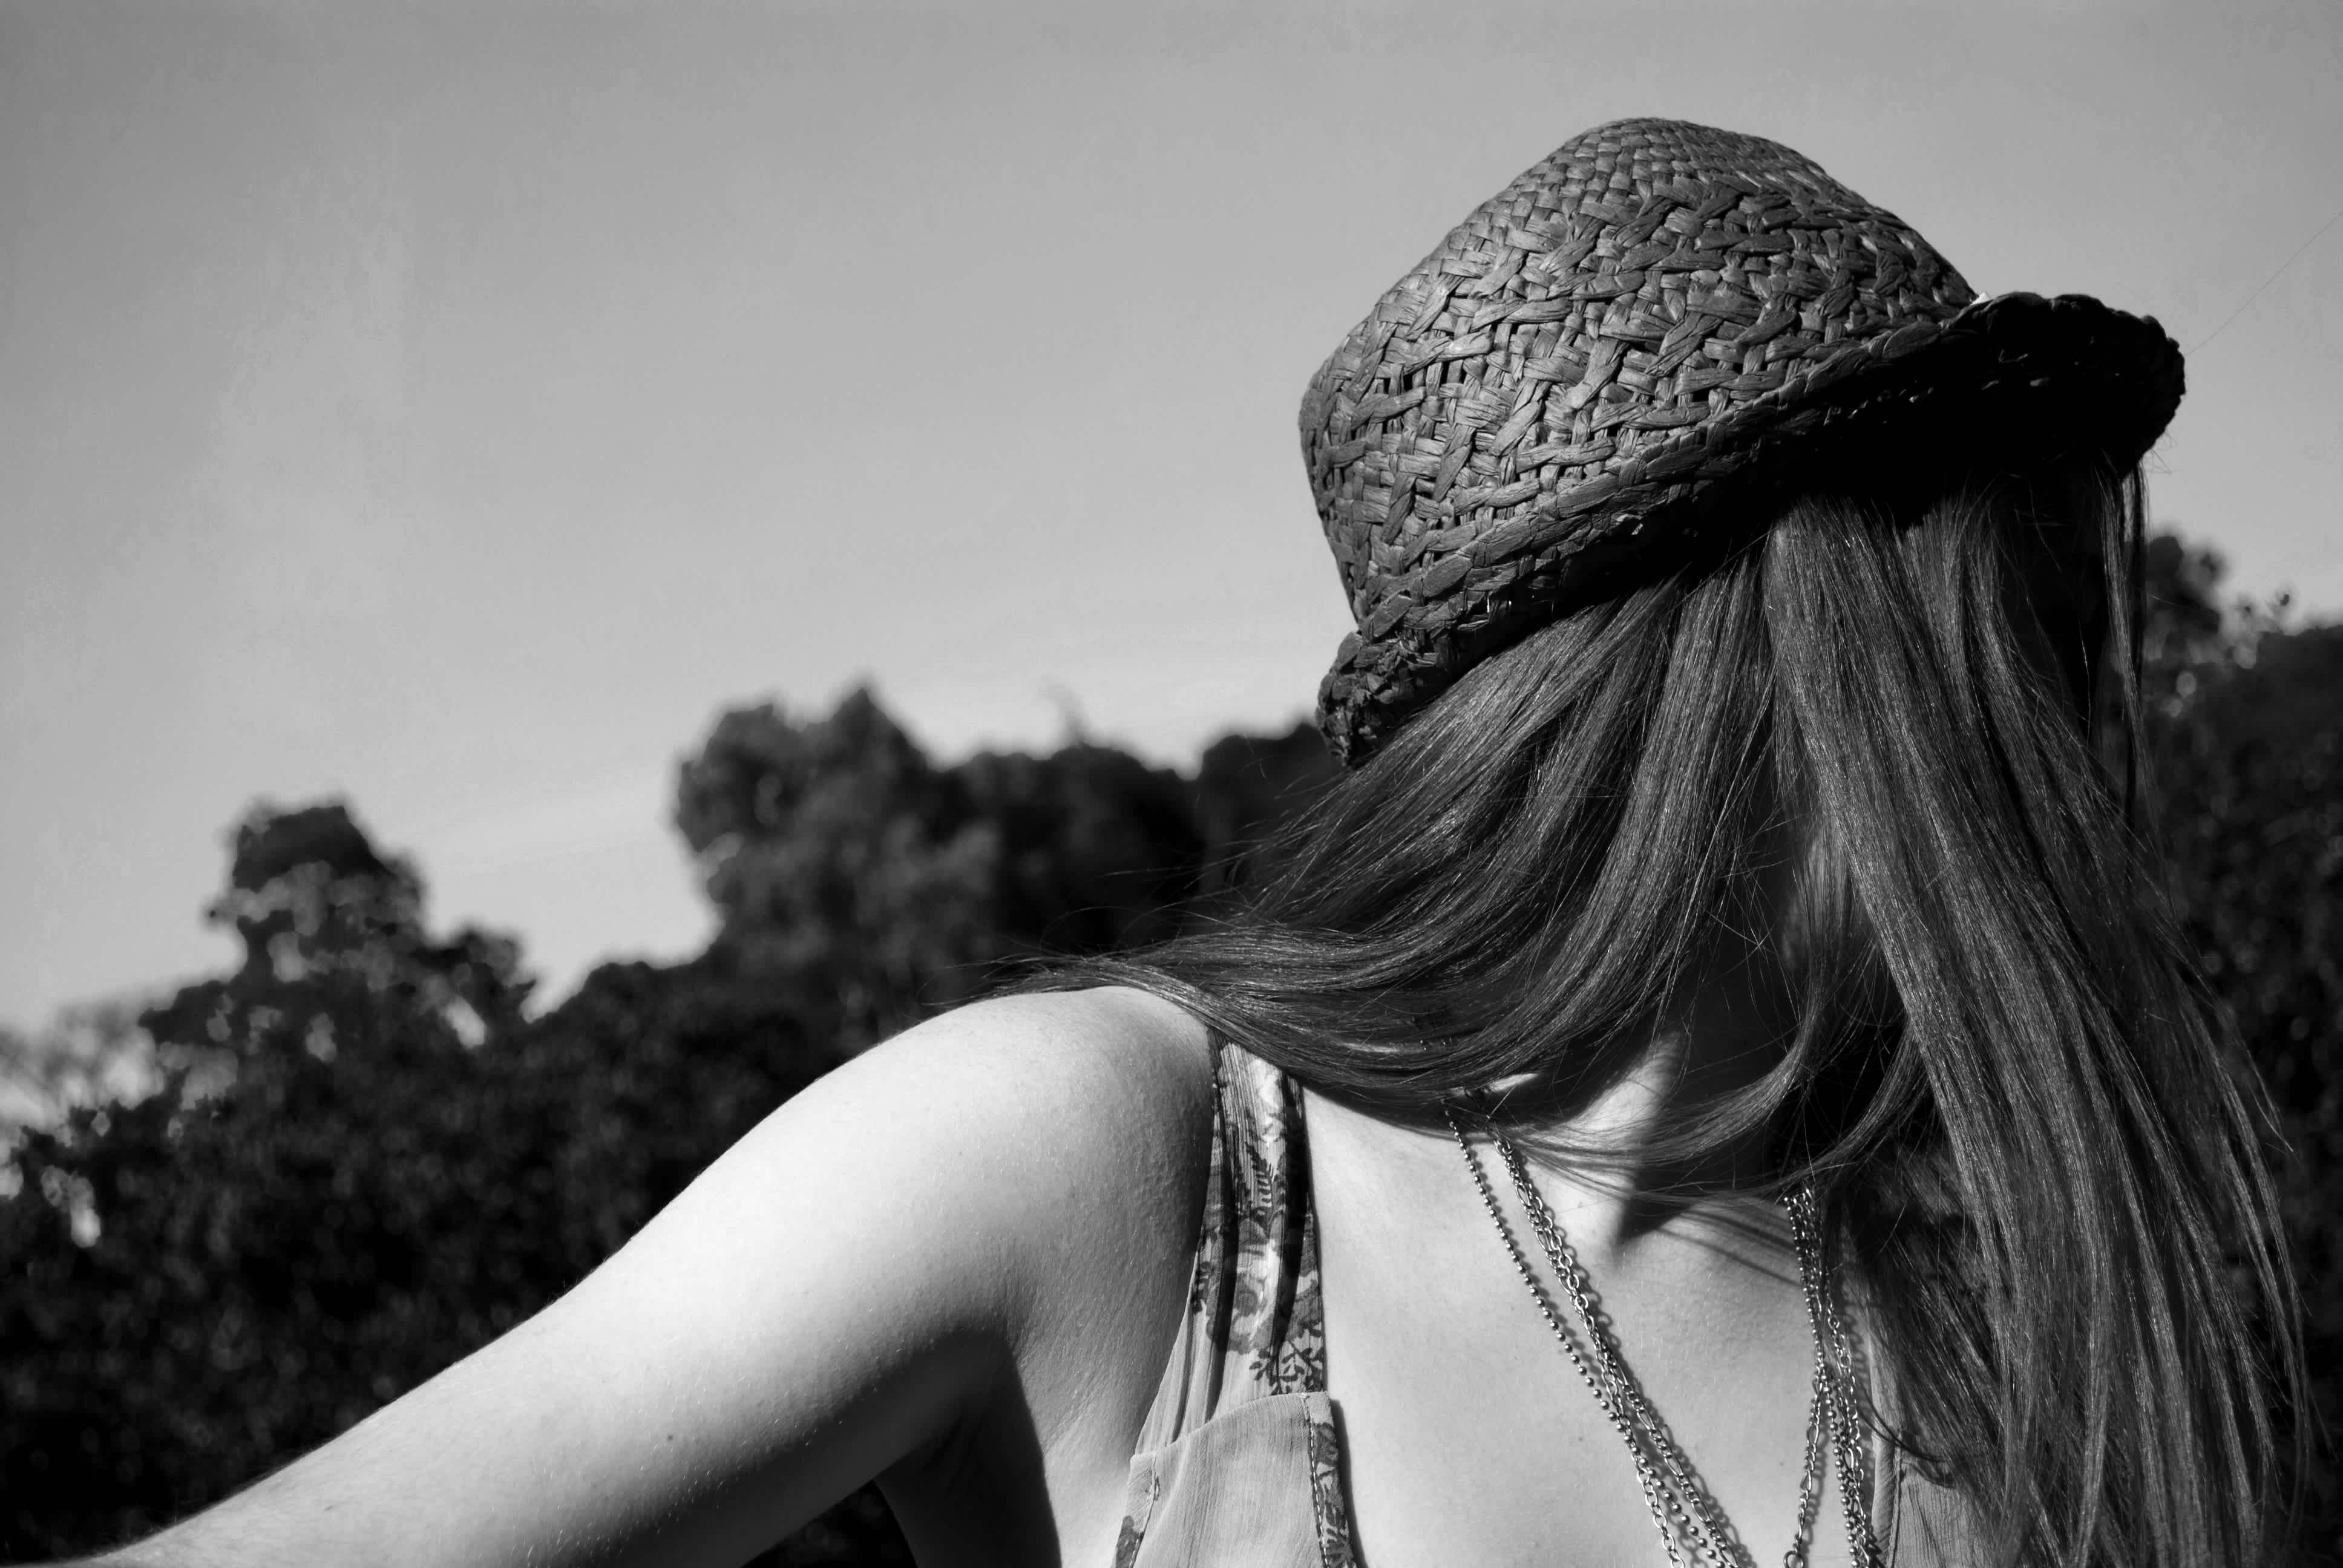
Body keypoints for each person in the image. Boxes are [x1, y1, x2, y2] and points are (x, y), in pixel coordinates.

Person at [53, 117, 2298, 1568]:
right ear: (1793, 668)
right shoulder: (1117, 1166)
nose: (2073, 714)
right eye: (1999, 621)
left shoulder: (2048, 1315)